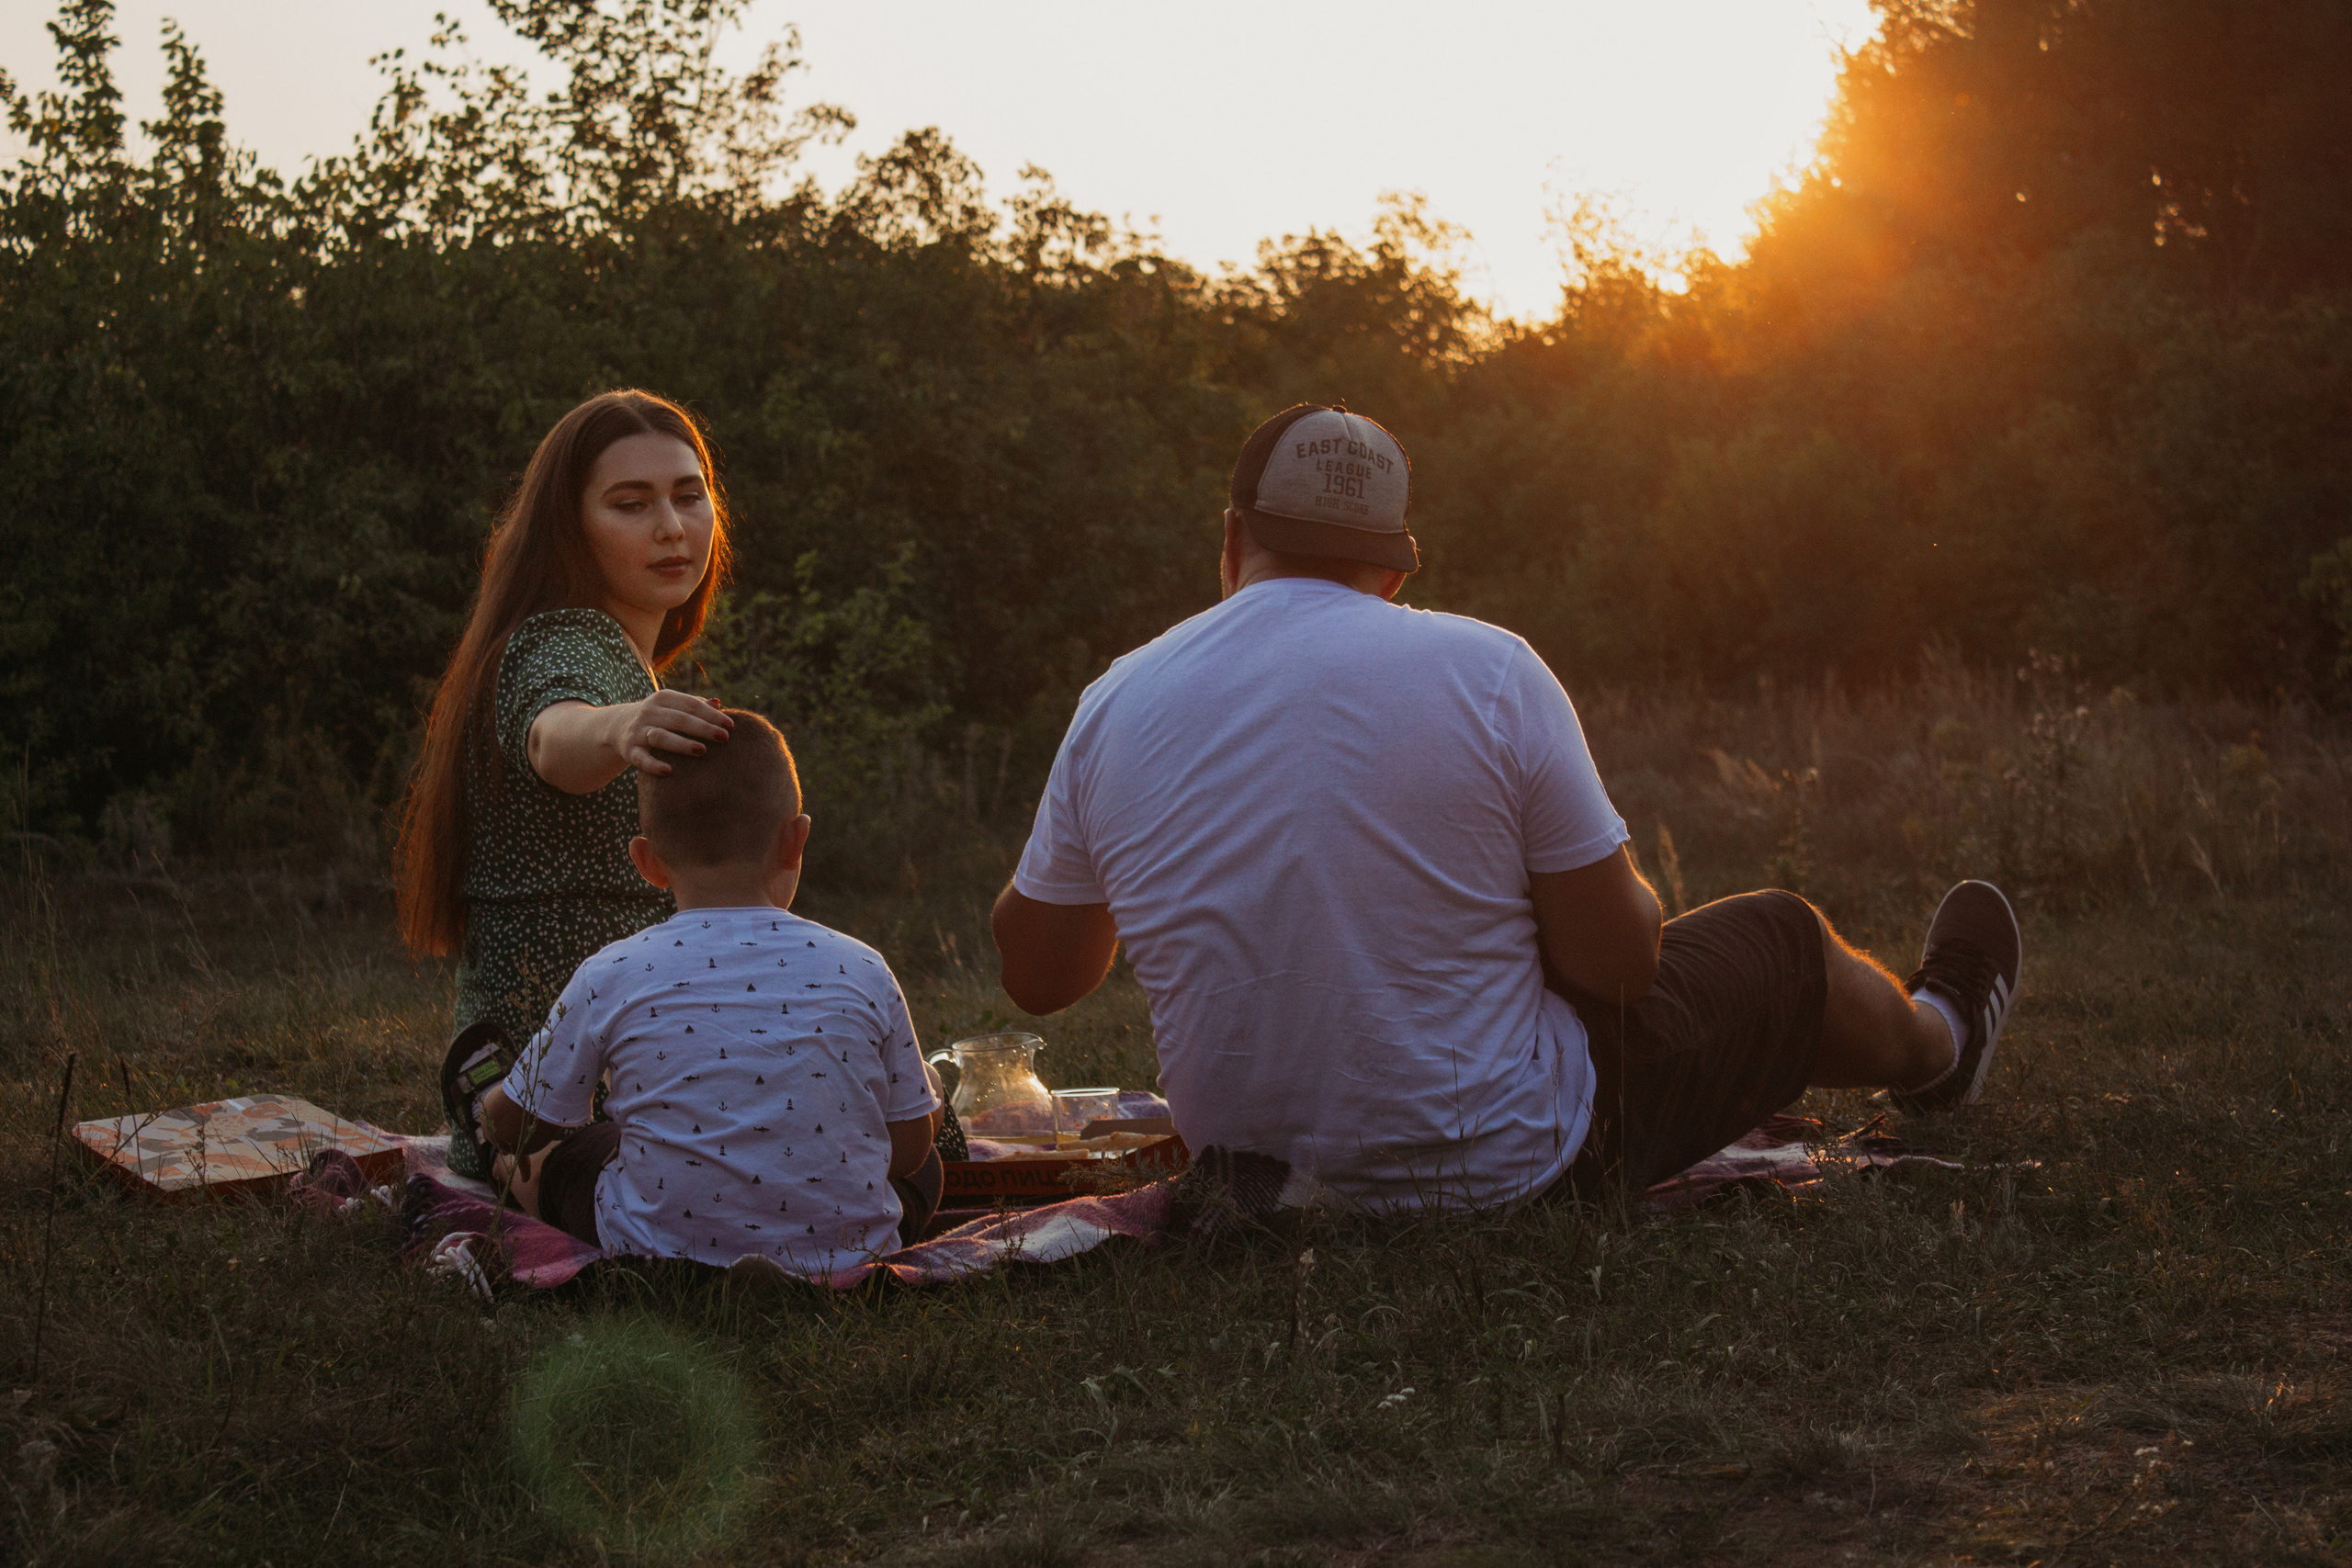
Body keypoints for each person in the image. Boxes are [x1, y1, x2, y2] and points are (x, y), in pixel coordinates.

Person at [990, 403, 2022, 1213]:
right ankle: (1940, 1043)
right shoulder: (1487, 668)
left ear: (1231, 540)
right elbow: (1619, 968)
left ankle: (1929, 1039)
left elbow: (1039, 978)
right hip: (1507, 1177)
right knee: (1783, 939)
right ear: (1394, 568)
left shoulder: (1117, 696)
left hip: (1249, 1185)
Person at [394, 389, 738, 1177]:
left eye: (689, 495)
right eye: (631, 503)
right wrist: (622, 725)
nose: (670, 526)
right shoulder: (562, 640)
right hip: (558, 1121)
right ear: (570, 526)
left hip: (608, 1087)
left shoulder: (618, 650)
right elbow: (555, 734)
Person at [481, 710, 945, 1266]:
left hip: (659, 1258)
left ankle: (517, 1182)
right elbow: (911, 1150)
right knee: (930, 1155)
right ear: (795, 842)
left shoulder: (611, 971)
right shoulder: (864, 966)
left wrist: (490, 1116)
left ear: (647, 862)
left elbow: (518, 1123)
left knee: (578, 1154)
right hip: (843, 1257)